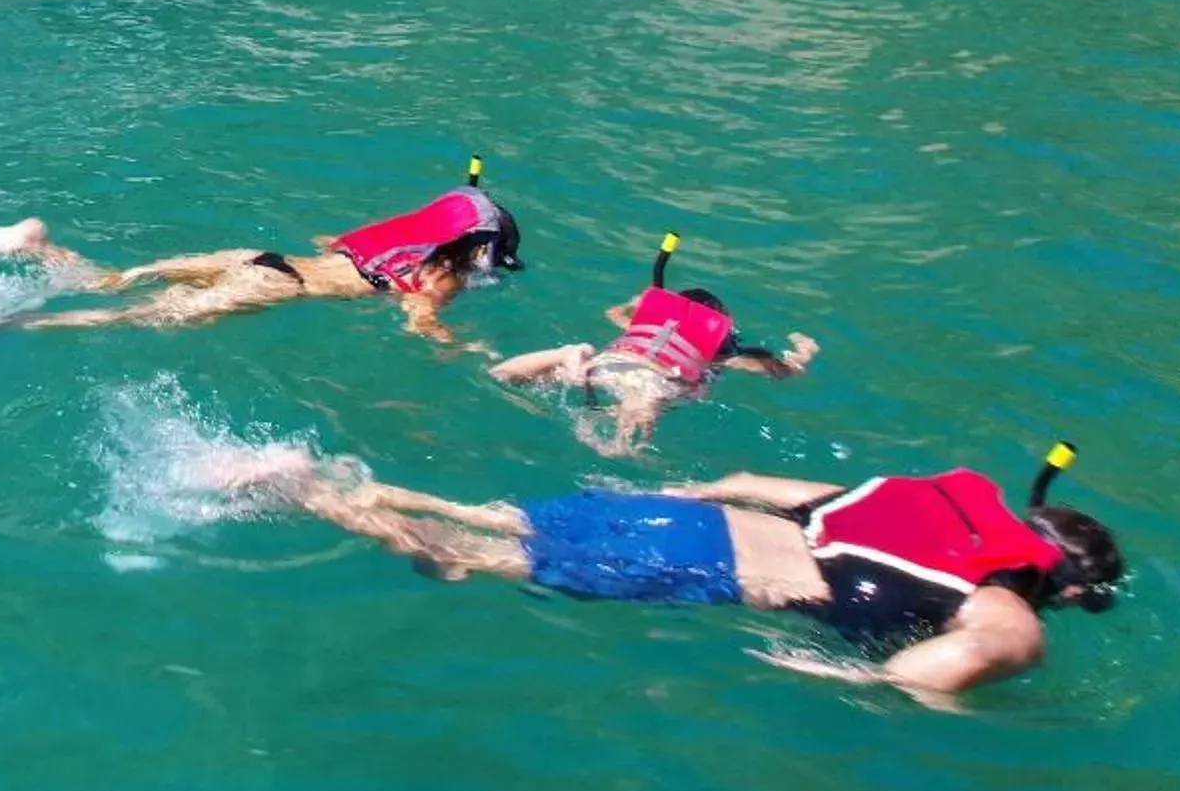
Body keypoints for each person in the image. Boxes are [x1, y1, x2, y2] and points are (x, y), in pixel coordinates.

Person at [203, 440, 1124, 705]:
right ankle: (304, 494)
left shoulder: (940, 505)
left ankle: (311, 467)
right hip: (697, 559)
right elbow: (963, 659)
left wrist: (678, 489)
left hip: (688, 517)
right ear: (1063, 585)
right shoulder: (1010, 602)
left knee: (480, 518)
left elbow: (758, 483)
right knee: (456, 565)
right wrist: (861, 680)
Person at [0, 163, 522, 342]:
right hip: (278, 286)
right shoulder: (441, 274)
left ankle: (38, 245)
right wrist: (459, 345)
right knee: (132, 318)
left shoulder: (385, 238)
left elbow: (327, 247)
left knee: (117, 282)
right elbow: (419, 318)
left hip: (258, 258)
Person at [486, 232, 818, 453]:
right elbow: (781, 370)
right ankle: (612, 401)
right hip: (650, 382)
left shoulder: (637, 324)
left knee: (501, 375)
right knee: (619, 451)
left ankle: (567, 353)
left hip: (608, 364)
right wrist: (803, 354)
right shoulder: (720, 357)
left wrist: (639, 301)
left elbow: (613, 312)